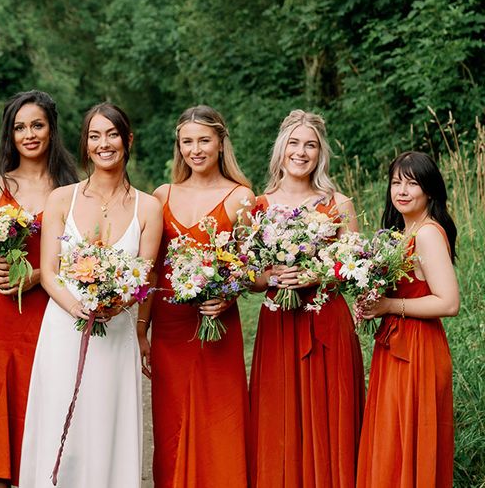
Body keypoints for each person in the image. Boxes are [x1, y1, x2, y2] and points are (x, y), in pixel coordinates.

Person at [19, 102, 162, 488]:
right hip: (64, 328)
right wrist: (78, 309)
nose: (104, 144)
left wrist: (117, 305)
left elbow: (144, 275)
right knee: (60, 420)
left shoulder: (149, 207)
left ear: (127, 140)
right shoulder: (61, 199)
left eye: (112, 135)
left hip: (116, 334)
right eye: (95, 136)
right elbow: (48, 271)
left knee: (105, 423)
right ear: (85, 145)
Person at [0, 90, 78, 488]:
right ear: (9, 135)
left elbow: (76, 257)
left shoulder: (71, 188)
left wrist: (37, 276)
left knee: (41, 402)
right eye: (20, 127)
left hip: (46, 311)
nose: (29, 135)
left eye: (37, 125)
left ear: (51, 129)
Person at [137, 105, 255, 487]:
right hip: (171, 327)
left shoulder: (241, 197)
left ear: (221, 143)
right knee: (172, 422)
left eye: (204, 140)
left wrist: (228, 296)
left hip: (216, 322)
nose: (196, 149)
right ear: (179, 146)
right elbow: (151, 269)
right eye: (187, 141)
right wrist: (142, 329)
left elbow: (249, 266)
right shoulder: (162, 195)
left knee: (220, 417)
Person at [248, 109, 364, 488]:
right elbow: (247, 276)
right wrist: (269, 277)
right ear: (281, 148)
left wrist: (317, 274)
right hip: (279, 321)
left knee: (330, 413)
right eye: (294, 143)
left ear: (320, 153)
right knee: (280, 414)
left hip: (326, 321)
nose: (301, 152)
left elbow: (354, 269)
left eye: (310, 145)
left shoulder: (339, 204)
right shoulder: (258, 206)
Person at [356, 151, 459, 488]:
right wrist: (372, 302)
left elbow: (448, 302)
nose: (401, 190)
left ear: (429, 190)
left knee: (408, 439)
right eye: (396, 182)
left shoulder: (427, 233)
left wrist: (389, 305)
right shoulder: (401, 231)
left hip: (418, 350)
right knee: (394, 439)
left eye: (411, 183)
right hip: (396, 345)